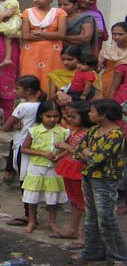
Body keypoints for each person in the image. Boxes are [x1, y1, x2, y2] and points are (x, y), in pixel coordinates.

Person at [72, 99, 127, 264]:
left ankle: (119, 256)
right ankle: (93, 250)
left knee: (106, 217)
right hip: (89, 176)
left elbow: (97, 158)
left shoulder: (115, 134)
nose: (89, 114)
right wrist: (88, 154)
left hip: (105, 179)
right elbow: (78, 151)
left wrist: (87, 153)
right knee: (91, 216)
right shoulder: (93, 130)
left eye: (92, 111)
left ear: (103, 115)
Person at [20, 101, 69, 233]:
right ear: (41, 115)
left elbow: (69, 149)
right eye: (49, 116)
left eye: (55, 116)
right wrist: (42, 153)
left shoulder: (64, 132)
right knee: (33, 196)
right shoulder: (34, 131)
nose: (52, 119)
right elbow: (24, 149)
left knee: (52, 196)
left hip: (54, 168)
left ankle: (52, 222)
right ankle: (31, 221)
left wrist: (59, 156)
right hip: (36, 167)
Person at [2, 75, 45, 226]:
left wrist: (14, 125)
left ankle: (29, 215)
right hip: (35, 146)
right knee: (28, 180)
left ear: (28, 91)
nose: (14, 91)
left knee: (24, 181)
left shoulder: (23, 107)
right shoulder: (41, 106)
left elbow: (6, 127)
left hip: (21, 145)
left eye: (17, 89)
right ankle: (31, 214)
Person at [53, 101, 93, 249]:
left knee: (83, 203)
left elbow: (82, 153)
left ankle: (84, 235)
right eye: (68, 116)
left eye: (73, 116)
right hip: (69, 167)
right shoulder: (75, 130)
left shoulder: (89, 133)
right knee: (74, 201)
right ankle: (73, 229)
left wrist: (66, 147)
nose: (69, 119)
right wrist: (60, 154)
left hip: (78, 169)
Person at [20, 0, 67, 92]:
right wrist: (50, 35)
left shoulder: (59, 13)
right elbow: (26, 36)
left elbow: (61, 35)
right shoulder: (27, 12)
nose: (36, 0)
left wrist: (38, 33)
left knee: (51, 76)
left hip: (53, 53)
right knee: (30, 77)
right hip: (32, 52)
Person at [99, 22, 127, 97]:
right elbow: (99, 66)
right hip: (106, 83)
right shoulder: (107, 50)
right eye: (114, 34)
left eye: (121, 34)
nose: (116, 37)